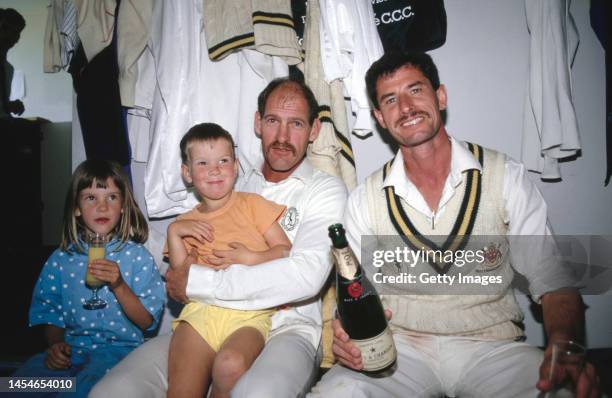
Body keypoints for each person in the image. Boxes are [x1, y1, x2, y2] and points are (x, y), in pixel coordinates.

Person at [309, 52, 600, 398]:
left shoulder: (503, 176)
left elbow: (553, 279)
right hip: (399, 351)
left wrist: (565, 345)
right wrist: (346, 333)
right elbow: (354, 295)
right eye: (390, 99)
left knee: (563, 392)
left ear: (440, 96)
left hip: (492, 347)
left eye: (415, 90)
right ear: (379, 118)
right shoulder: (365, 199)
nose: (405, 107)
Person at [90, 77, 348, 398]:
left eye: (295, 123)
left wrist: (197, 281)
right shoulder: (225, 180)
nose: (282, 136)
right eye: (272, 121)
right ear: (257, 122)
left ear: (314, 130)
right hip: (205, 317)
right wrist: (173, 259)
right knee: (111, 392)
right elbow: (183, 266)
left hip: (288, 328)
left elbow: (304, 275)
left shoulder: (325, 190)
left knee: (255, 393)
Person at [10, 159, 166, 398]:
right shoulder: (61, 259)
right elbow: (52, 314)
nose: (102, 207)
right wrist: (55, 346)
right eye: (91, 198)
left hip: (121, 354)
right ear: (76, 208)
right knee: (18, 387)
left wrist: (119, 285)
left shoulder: (137, 257)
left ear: (123, 205)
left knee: (80, 391)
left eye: (112, 197)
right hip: (72, 353)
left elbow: (147, 322)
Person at [166, 123, 292, 398]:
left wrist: (251, 257)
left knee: (230, 364)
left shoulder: (253, 204)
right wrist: (174, 233)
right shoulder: (184, 222)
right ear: (187, 173)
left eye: (223, 161)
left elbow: (285, 251)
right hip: (201, 313)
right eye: (203, 163)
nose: (214, 170)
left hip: (250, 312)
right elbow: (180, 280)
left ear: (235, 166)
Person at [0, 7, 25, 118]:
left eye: (17, 33)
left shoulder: (8, 69)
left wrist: (9, 105)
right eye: (14, 32)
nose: (16, 38)